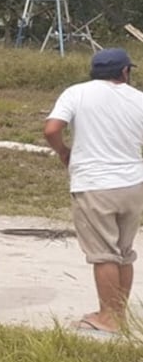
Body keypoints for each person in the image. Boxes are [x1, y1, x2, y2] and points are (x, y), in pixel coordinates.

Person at [44, 48, 143, 334]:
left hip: (94, 182)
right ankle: (118, 313)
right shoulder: (138, 98)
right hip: (132, 182)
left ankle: (108, 317)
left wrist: (64, 152)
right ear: (125, 71)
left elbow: (51, 129)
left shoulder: (76, 93)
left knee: (103, 254)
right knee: (124, 251)